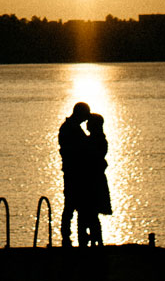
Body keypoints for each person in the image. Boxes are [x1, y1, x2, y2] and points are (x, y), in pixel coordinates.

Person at [56, 102, 92, 245]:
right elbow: (76, 150)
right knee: (72, 205)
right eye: (84, 116)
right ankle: (69, 237)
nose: (85, 120)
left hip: (73, 172)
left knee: (73, 206)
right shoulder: (71, 129)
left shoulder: (71, 128)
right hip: (74, 173)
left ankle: (74, 236)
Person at [76, 112, 113, 246]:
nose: (86, 124)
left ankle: (91, 242)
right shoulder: (97, 139)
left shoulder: (94, 141)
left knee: (88, 213)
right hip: (95, 181)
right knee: (91, 214)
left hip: (91, 182)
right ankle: (95, 241)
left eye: (89, 122)